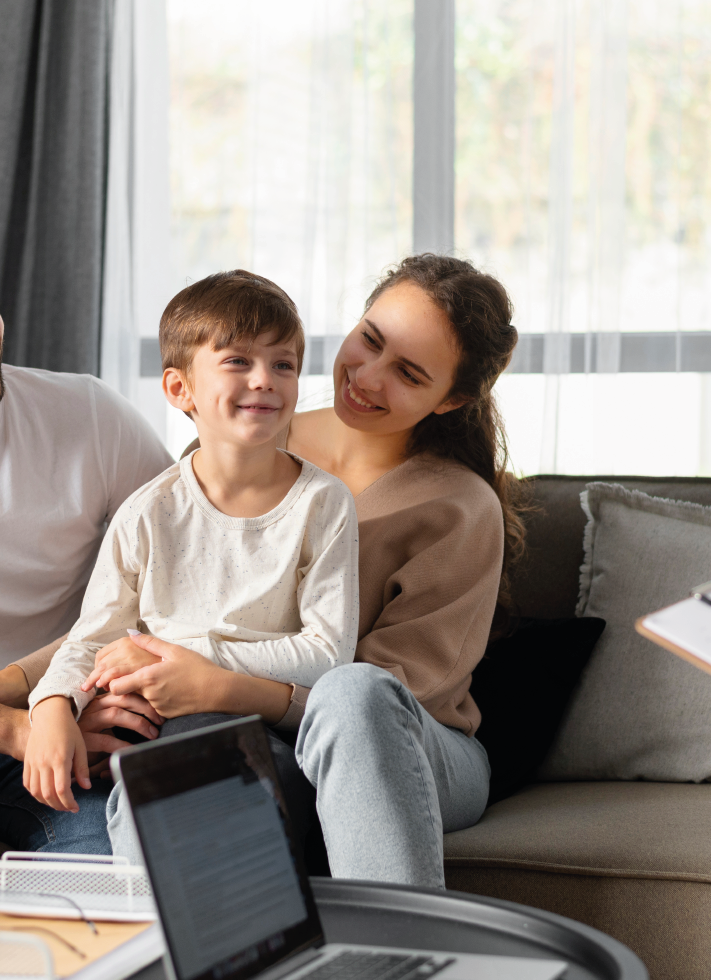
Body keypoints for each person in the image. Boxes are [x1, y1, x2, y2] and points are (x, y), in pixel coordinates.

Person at [95, 254, 520, 886]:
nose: (368, 377)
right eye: (369, 341)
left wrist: (216, 683)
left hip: (409, 744)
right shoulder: (247, 434)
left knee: (353, 695)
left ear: (451, 398)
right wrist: (50, 691)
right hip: (256, 734)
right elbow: (125, 610)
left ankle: (395, 957)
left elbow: (386, 700)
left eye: (407, 373)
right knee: (175, 763)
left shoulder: (460, 508)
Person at [22, 271, 360, 840]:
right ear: (180, 389)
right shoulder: (147, 512)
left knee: (228, 790)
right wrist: (53, 704)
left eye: (283, 364)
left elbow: (327, 657)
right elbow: (94, 637)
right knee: (138, 802)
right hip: (156, 722)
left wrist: (183, 658)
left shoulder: (324, 503)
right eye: (237, 362)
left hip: (268, 725)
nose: (265, 380)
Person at [0, 312, 173, 852]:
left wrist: (73, 696)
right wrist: (17, 729)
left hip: (61, 739)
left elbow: (177, 573)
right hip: (31, 728)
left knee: (112, 875)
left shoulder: (90, 416)